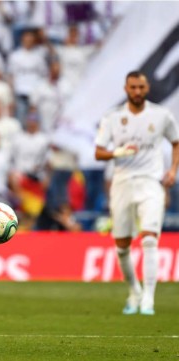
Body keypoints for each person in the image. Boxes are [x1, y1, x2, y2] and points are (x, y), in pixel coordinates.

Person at [95, 71, 179, 316]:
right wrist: (118, 153)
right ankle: (134, 291)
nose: (137, 92)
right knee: (122, 246)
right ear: (126, 89)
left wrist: (173, 170)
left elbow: (176, 142)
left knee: (150, 238)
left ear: (147, 87)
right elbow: (98, 152)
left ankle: (149, 300)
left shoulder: (161, 115)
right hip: (122, 183)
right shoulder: (112, 117)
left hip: (151, 182)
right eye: (133, 87)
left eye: (141, 87)